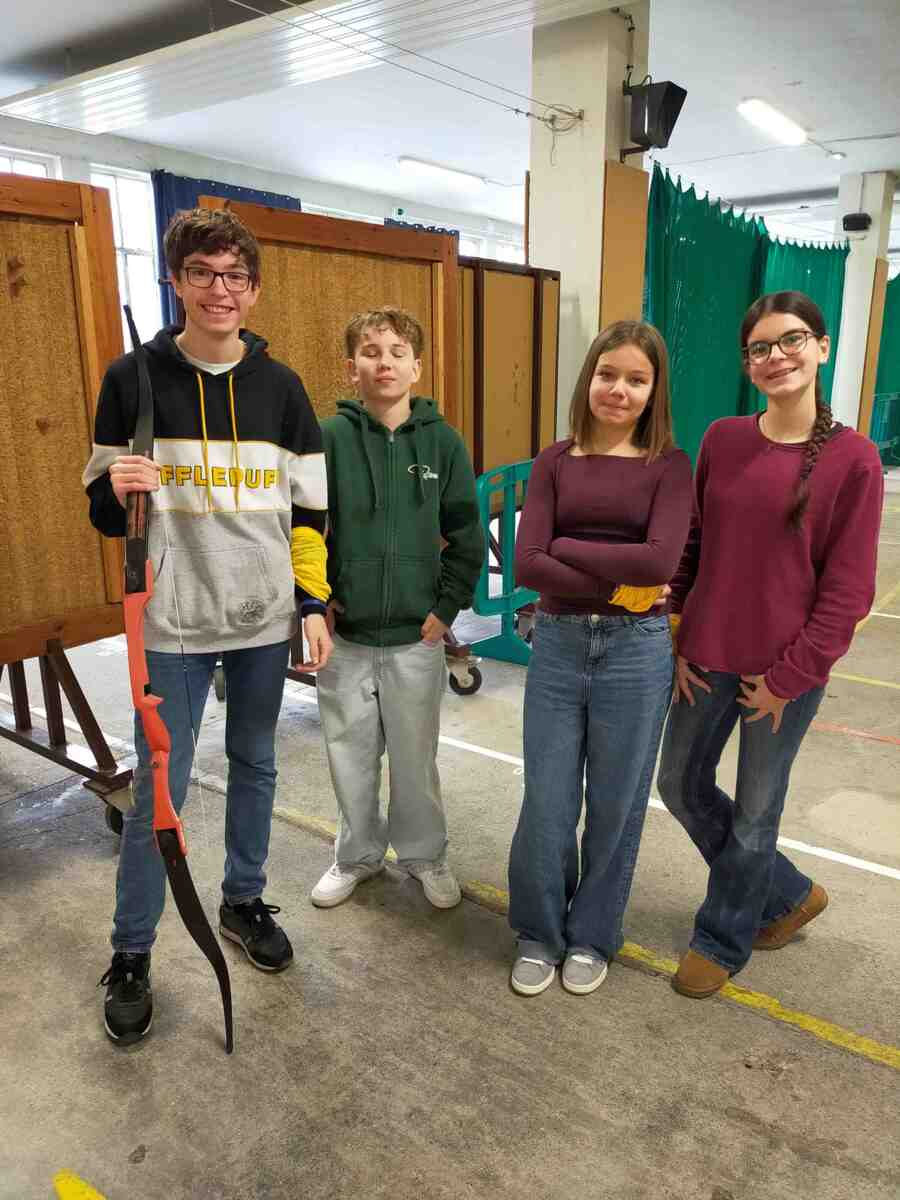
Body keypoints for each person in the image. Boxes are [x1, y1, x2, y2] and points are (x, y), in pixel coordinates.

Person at [83, 207, 332, 1044]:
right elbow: (101, 510)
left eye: (234, 276)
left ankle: (242, 901)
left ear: (253, 290)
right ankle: (132, 950)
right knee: (162, 786)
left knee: (257, 764)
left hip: (261, 618)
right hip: (173, 622)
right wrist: (116, 487)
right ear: (176, 281)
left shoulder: (282, 388)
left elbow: (310, 512)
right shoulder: (131, 379)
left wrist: (310, 603)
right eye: (202, 273)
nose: (218, 290)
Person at [658, 290, 884, 999]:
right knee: (679, 785)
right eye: (760, 347)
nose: (776, 356)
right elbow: (694, 544)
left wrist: (791, 677)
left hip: (784, 673)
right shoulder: (724, 439)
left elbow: (848, 590)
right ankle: (786, 894)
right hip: (706, 655)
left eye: (791, 340)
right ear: (747, 362)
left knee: (757, 811)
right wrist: (678, 629)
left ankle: (723, 937)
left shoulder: (854, 460)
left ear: (821, 347)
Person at [508, 320, 692, 996]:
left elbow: (661, 562)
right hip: (558, 645)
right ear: (588, 378)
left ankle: (591, 935)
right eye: (607, 374)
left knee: (616, 804)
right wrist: (622, 582)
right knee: (548, 799)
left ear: (654, 390)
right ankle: (539, 931)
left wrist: (566, 548)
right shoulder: (554, 461)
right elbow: (528, 564)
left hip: (636, 654)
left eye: (636, 379)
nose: (618, 389)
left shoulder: (669, 466)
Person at [310, 306, 483, 911]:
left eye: (397, 353)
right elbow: (304, 527)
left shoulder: (443, 443)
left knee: (415, 759)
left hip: (417, 637)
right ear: (350, 367)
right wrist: (316, 601)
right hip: (347, 639)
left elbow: (466, 533)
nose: (384, 363)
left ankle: (424, 855)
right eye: (371, 352)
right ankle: (356, 856)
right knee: (350, 757)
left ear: (417, 367)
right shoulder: (328, 439)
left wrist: (447, 605)